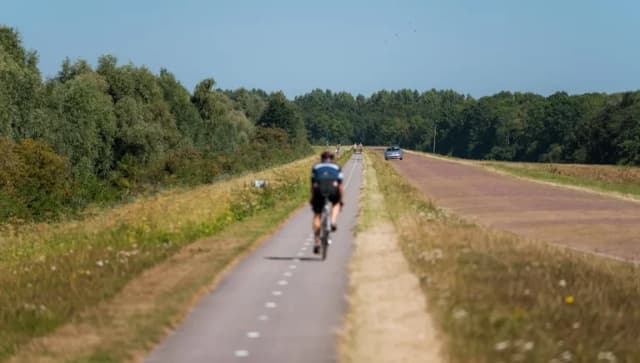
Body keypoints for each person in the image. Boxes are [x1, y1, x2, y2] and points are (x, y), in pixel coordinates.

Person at [310, 151, 344, 254]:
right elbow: (340, 186)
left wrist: (313, 197)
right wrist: (341, 199)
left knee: (317, 215)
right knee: (336, 203)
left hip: (319, 190)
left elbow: (313, 184)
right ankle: (332, 222)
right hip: (333, 189)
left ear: (322, 158)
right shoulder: (336, 167)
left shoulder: (316, 167)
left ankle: (316, 242)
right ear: (332, 159)